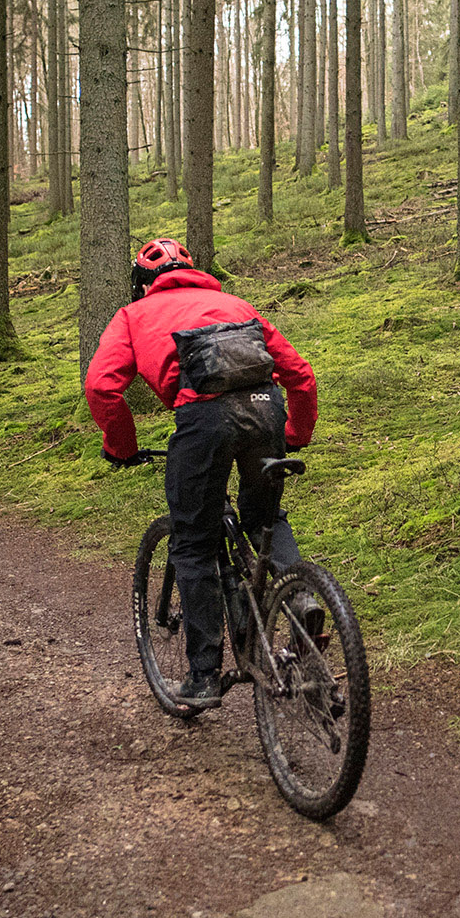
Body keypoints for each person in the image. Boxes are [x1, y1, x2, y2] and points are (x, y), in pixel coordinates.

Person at [84, 238, 317, 710]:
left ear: (142, 283)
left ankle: (204, 676)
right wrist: (294, 434)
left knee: (192, 541)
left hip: (204, 420)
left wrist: (121, 447)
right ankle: (300, 598)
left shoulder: (133, 315)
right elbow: (300, 375)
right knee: (264, 518)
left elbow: (101, 386)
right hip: (265, 410)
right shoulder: (235, 305)